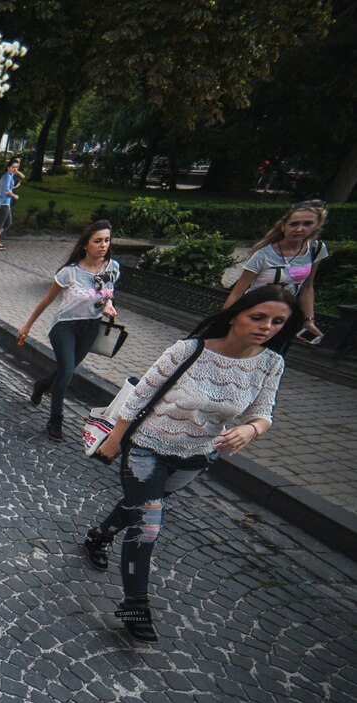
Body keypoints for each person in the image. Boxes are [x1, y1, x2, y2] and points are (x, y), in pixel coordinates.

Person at [85, 286, 300, 642]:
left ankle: (99, 536)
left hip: (197, 456)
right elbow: (141, 393)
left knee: (141, 507)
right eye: (258, 317)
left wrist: (252, 429)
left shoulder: (271, 363)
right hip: (147, 447)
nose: (267, 326)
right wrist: (116, 437)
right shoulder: (189, 350)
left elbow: (264, 412)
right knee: (148, 522)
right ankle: (135, 605)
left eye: (278, 321)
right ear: (235, 315)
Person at [17, 221, 121, 442]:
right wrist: (27, 325)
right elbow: (47, 299)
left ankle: (42, 385)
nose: (103, 245)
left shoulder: (111, 267)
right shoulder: (69, 272)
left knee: (67, 368)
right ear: (85, 244)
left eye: (106, 240)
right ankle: (55, 419)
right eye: (97, 241)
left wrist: (109, 305)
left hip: (90, 327)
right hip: (65, 327)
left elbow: (107, 292)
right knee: (67, 373)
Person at [222, 201, 328, 343]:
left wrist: (308, 320)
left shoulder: (316, 250)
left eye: (307, 224)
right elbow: (238, 291)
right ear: (284, 226)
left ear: (317, 226)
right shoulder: (262, 254)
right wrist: (223, 319)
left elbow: (307, 287)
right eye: (294, 224)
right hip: (254, 311)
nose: (299, 229)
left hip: (282, 316)